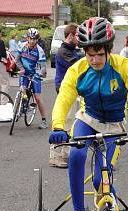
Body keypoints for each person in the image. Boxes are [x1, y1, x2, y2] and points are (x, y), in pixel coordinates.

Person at [49, 17, 128, 211]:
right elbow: (64, 99)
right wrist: (58, 125)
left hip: (114, 126)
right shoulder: (78, 69)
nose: (95, 60)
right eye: (90, 54)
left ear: (109, 49)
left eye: (99, 54)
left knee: (99, 180)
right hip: (88, 119)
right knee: (76, 155)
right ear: (84, 51)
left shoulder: (123, 66)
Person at [49, 23, 84, 168]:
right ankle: (56, 156)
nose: (80, 38)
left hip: (72, 91)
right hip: (64, 92)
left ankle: (65, 153)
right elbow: (78, 66)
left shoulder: (71, 50)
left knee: (71, 123)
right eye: (78, 35)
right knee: (63, 122)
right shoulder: (64, 52)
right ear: (70, 35)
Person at [16, 28, 48, 129]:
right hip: (24, 72)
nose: (32, 40)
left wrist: (38, 74)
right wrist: (21, 68)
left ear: (37, 40)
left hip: (35, 74)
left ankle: (44, 120)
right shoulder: (22, 46)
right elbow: (17, 59)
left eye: (34, 39)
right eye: (30, 38)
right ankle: (22, 106)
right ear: (28, 38)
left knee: (38, 98)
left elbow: (43, 67)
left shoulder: (40, 51)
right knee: (22, 89)